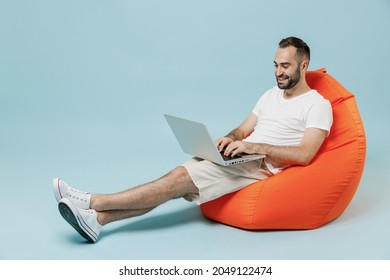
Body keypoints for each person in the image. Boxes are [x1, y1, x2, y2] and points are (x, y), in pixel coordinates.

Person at [53, 36, 333, 243]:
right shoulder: (270, 95)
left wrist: (251, 147)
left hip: (260, 167)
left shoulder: (316, 105)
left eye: (285, 66)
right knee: (175, 184)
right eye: (275, 65)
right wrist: (230, 139)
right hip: (242, 156)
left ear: (303, 65)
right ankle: (97, 221)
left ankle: (92, 201)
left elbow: (305, 154)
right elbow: (244, 128)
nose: (278, 72)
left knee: (176, 179)